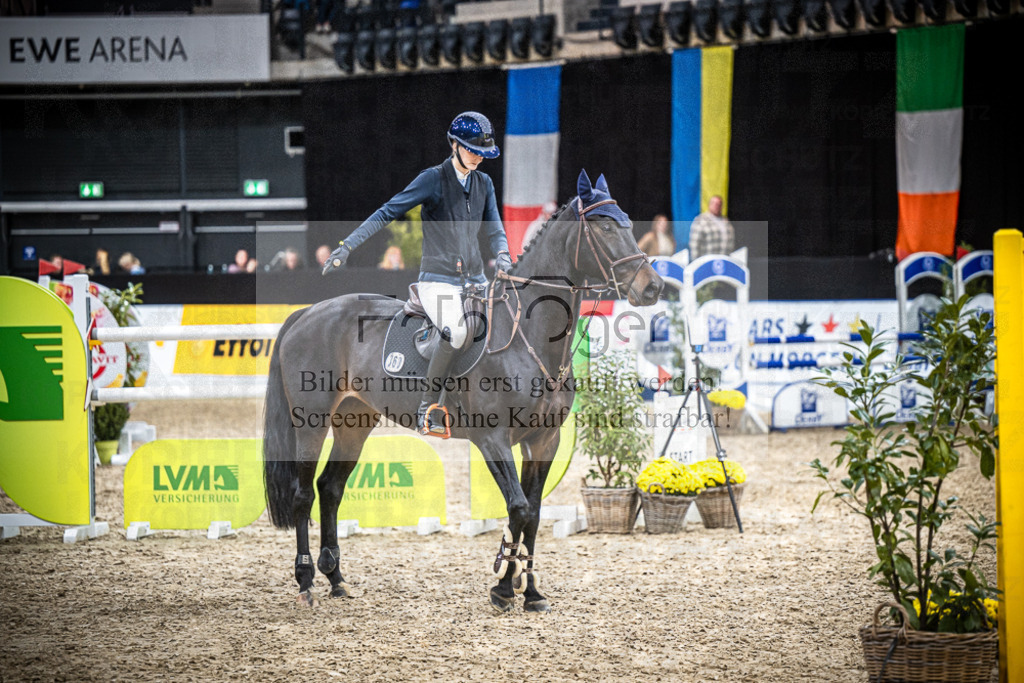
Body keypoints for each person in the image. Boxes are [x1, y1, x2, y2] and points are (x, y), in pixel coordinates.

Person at [322, 111, 511, 437]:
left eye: (483, 152)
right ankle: (428, 407)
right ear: (454, 144)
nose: (478, 157)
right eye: (472, 150)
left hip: (476, 281)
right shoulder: (432, 179)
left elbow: (495, 230)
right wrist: (346, 246)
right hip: (438, 282)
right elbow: (387, 211)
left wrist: (505, 255)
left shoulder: (485, 183)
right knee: (457, 333)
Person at [688, 195, 735, 260]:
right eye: (714, 203)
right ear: (709, 205)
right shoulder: (701, 220)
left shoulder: (725, 221)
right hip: (707, 261)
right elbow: (694, 244)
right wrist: (696, 262)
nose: (716, 206)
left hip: (723, 261)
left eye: (719, 204)